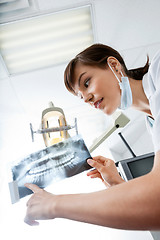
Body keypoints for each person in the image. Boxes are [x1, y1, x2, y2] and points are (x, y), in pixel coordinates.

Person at [24, 43, 160, 229]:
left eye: (86, 83)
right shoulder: (152, 123)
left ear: (114, 65)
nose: (86, 98)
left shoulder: (158, 70)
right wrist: (117, 184)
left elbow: (156, 199)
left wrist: (54, 204)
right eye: (81, 96)